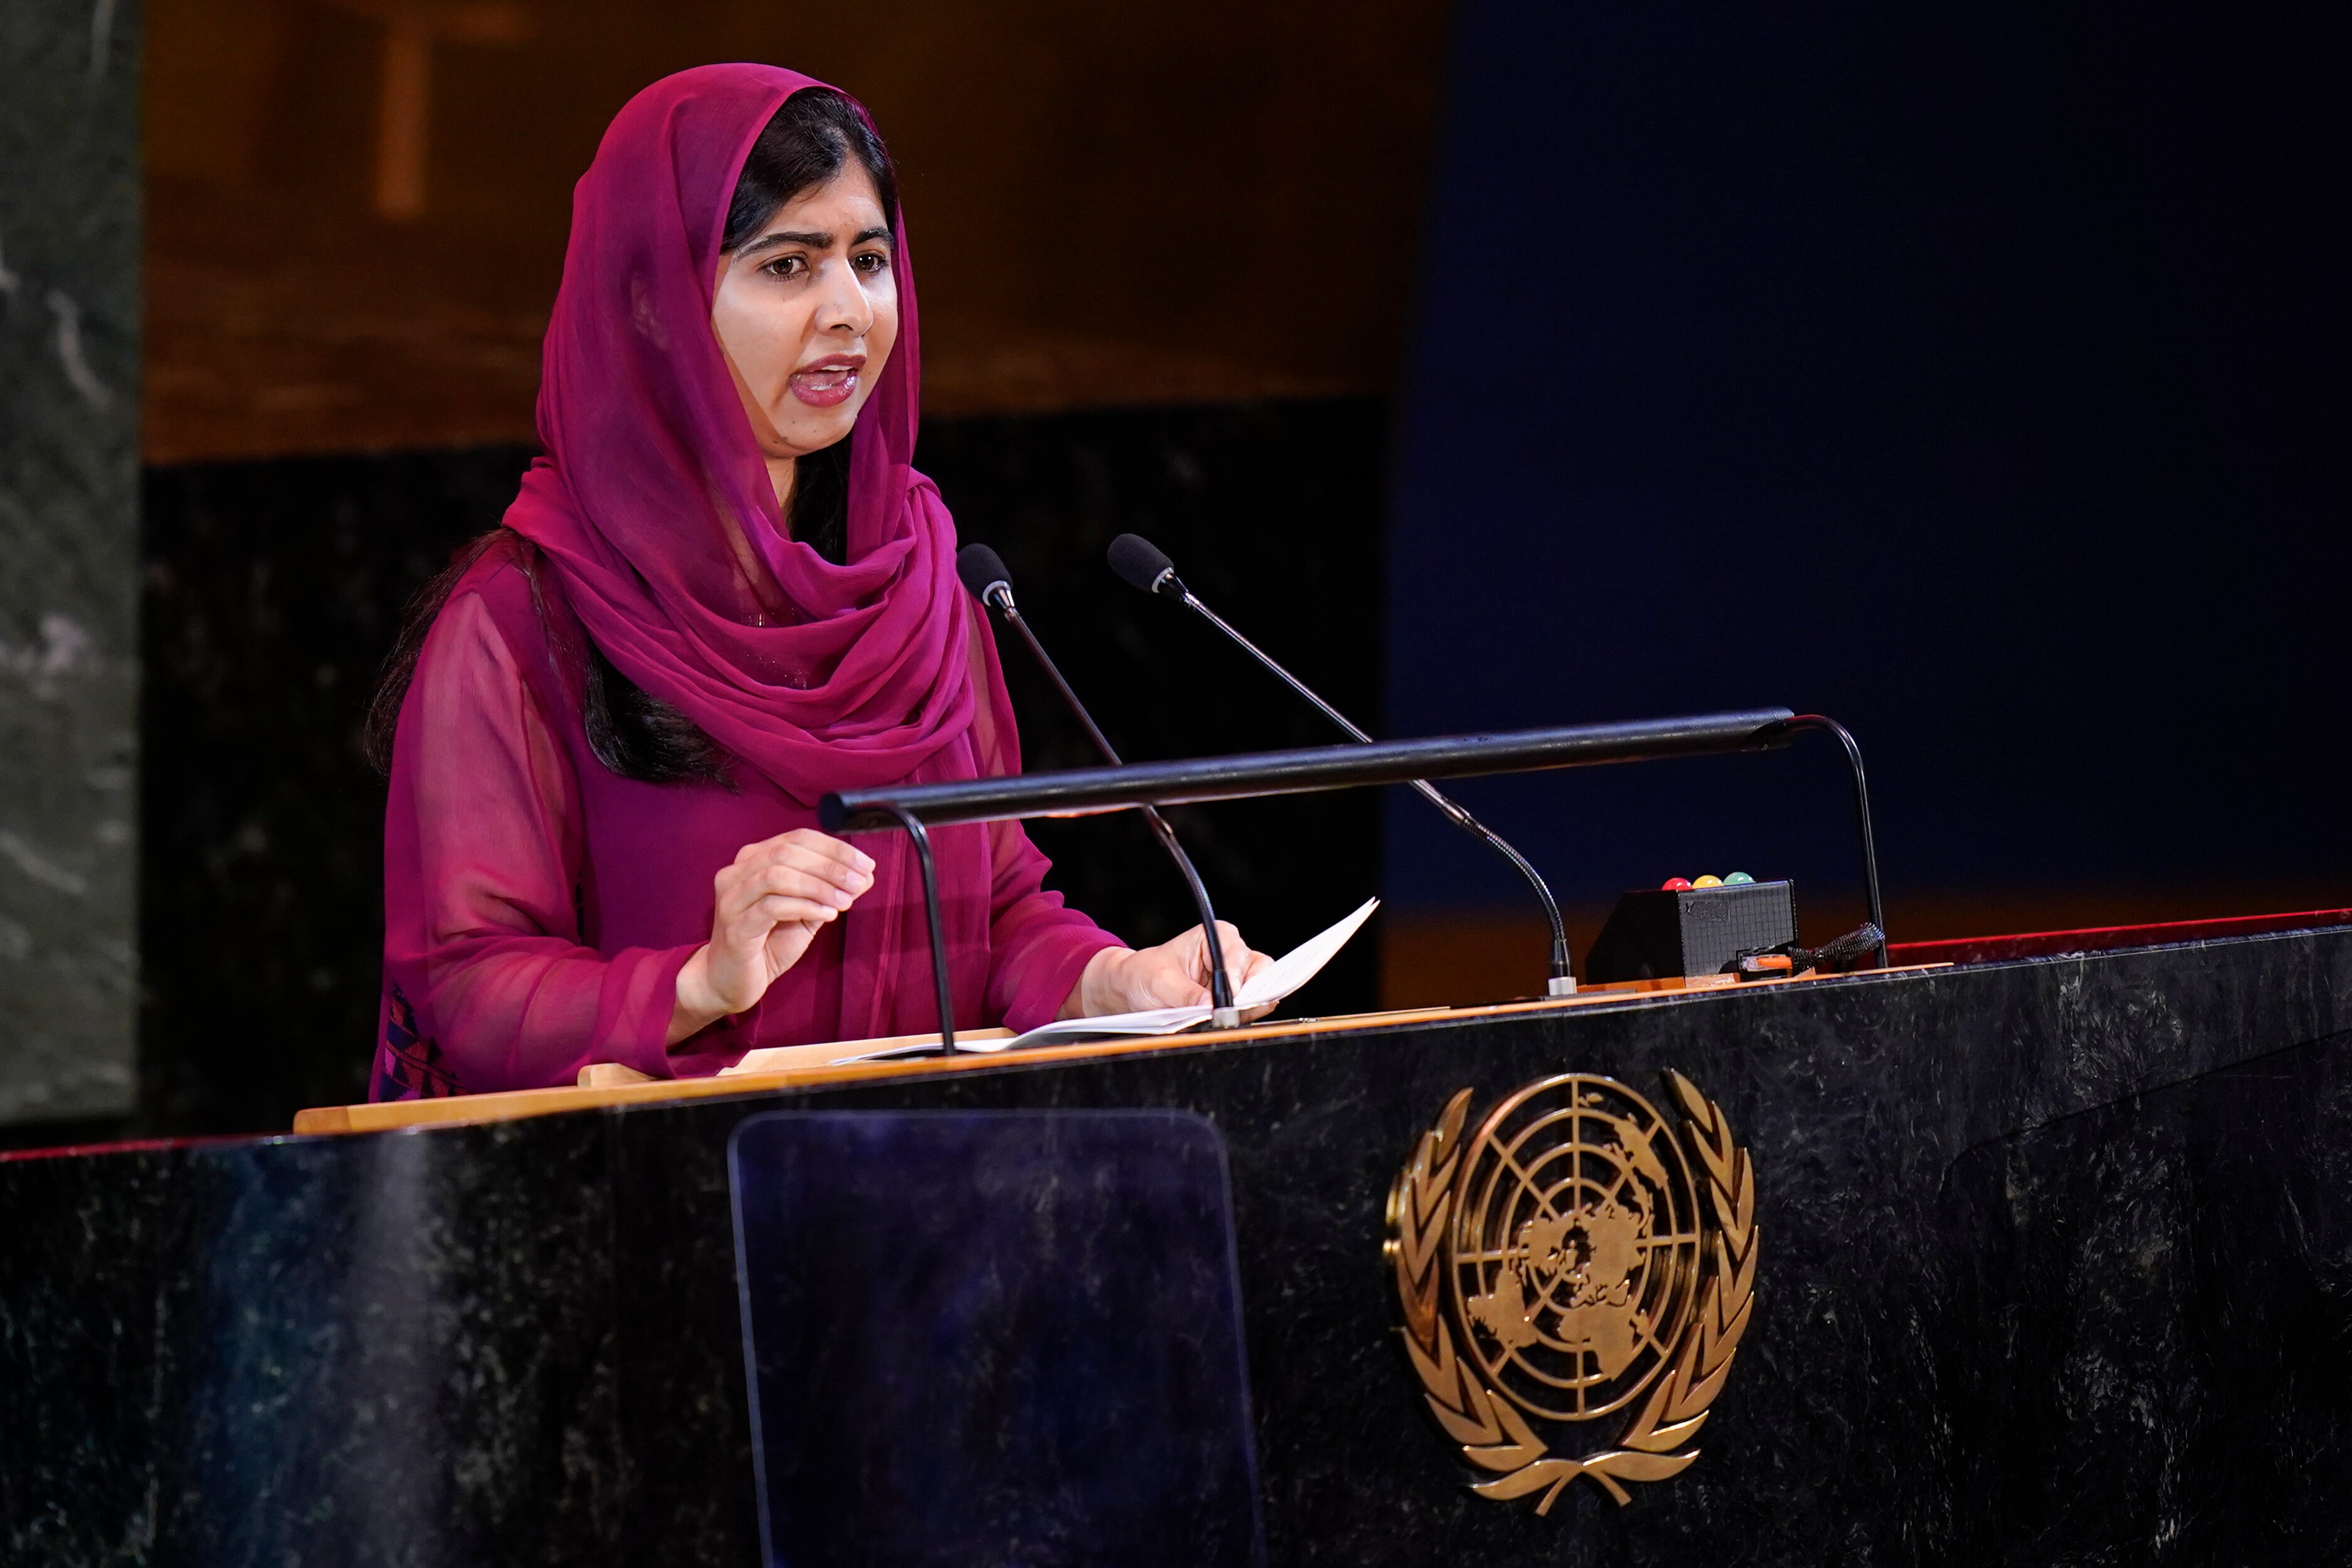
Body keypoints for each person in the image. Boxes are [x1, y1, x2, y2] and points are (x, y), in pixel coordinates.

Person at [364, 65, 1269, 1098]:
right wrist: (698, 982)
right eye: (789, 265)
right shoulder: (525, 618)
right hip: (657, 1215)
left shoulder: (921, 582)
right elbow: (469, 983)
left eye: (869, 259)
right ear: (652, 307)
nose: (849, 311)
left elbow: (993, 907)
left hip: (920, 1210)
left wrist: (1115, 981)